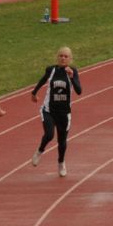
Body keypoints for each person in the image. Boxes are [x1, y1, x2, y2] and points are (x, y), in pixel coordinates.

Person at [30, 47, 82, 177]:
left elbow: (79, 91)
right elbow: (43, 80)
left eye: (65, 56)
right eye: (61, 56)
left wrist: (71, 77)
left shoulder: (73, 71)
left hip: (64, 113)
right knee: (49, 134)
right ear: (57, 57)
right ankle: (40, 151)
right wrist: (34, 92)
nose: (63, 58)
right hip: (49, 110)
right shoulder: (51, 70)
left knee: (62, 141)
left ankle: (61, 162)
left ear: (70, 59)